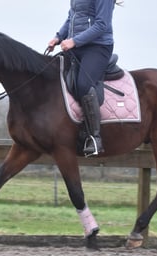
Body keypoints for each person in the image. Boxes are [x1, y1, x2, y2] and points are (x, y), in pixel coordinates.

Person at [48, 0, 118, 157]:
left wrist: (74, 41)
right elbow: (72, 17)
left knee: (83, 84)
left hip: (98, 47)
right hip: (76, 46)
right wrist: (58, 37)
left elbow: (102, 25)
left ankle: (94, 138)